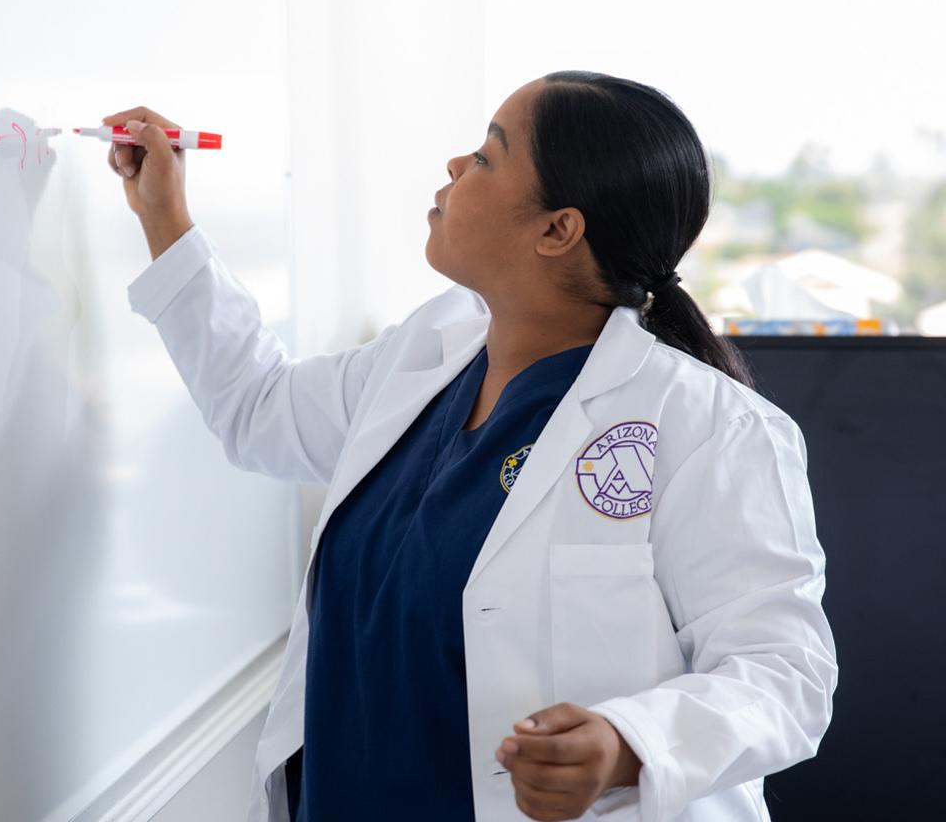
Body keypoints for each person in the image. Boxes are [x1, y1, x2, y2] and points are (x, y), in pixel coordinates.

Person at [102, 70, 837, 822]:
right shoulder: (424, 357)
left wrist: (626, 743)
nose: (455, 167)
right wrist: (164, 216)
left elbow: (784, 674)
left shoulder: (706, 426)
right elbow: (258, 409)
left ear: (557, 229)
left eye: (486, 156)